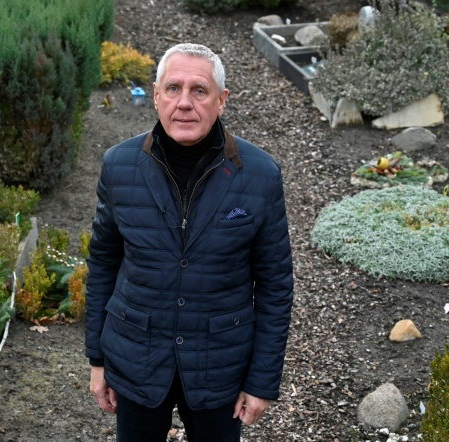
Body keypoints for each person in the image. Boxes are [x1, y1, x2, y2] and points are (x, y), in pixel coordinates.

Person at [85, 42, 294, 442]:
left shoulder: (261, 175)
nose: (184, 103)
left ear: (222, 100)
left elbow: (275, 285)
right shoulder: (118, 165)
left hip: (220, 367)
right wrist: (97, 359)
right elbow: (103, 265)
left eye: (199, 90)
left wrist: (262, 381)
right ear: (156, 95)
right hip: (136, 359)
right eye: (173, 88)